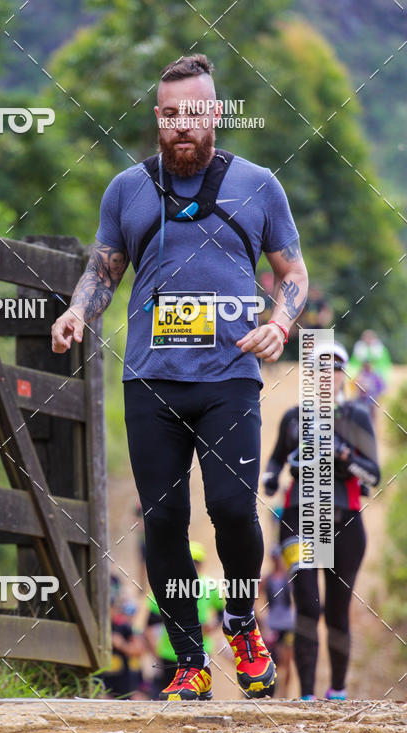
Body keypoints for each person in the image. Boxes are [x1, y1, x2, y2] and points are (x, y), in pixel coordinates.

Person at [52, 54, 308, 700]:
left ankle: (244, 628)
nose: (180, 128)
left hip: (229, 377)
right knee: (163, 521)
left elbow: (293, 273)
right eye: (168, 116)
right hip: (151, 381)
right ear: (157, 119)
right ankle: (190, 661)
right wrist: (78, 311)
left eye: (192, 115)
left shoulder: (259, 186)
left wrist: (280, 322)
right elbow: (103, 270)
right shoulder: (126, 190)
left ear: (215, 114)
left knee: (229, 507)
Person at [262, 343, 380, 700]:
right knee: (308, 606)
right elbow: (274, 462)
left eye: (336, 369)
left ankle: (338, 691)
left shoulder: (357, 417)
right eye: (320, 369)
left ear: (345, 375)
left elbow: (373, 475)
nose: (328, 375)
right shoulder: (293, 417)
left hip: (345, 522)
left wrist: (343, 454)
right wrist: (269, 478)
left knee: (338, 612)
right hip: (299, 520)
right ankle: (307, 696)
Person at [144, 541, 224, 698]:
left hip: (201, 649)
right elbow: (150, 623)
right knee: (168, 694)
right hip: (169, 652)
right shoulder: (168, 585)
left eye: (197, 562)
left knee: (198, 693)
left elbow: (221, 612)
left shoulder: (210, 586)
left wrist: (213, 625)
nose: (193, 566)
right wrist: (155, 652)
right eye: (190, 561)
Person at [258, 546, 295, 697]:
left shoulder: (289, 578)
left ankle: (284, 692)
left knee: (287, 660)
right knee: (274, 660)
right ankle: (273, 692)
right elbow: (255, 597)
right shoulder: (268, 578)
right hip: (273, 624)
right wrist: (261, 618)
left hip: (287, 624)